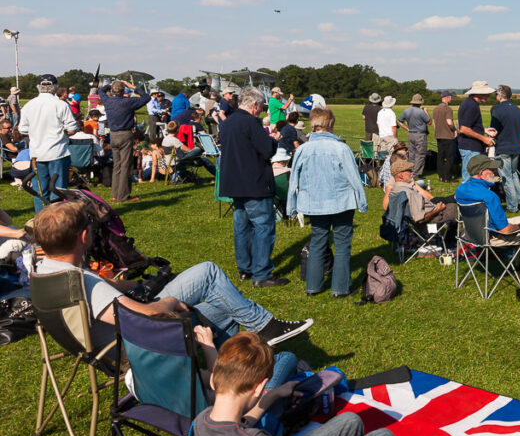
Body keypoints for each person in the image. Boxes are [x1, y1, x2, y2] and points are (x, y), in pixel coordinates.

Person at [31, 200, 313, 348]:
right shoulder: (84, 283)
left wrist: (131, 284)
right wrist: (169, 303)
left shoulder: (45, 270)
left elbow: (103, 297)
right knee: (208, 273)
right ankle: (265, 327)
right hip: (133, 347)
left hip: (96, 344)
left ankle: (234, 365)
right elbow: (146, 315)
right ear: (83, 237)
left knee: (224, 305)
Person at [192, 332, 399, 436]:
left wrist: (273, 396)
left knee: (352, 420)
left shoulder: (200, 423)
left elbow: (244, 425)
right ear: (259, 387)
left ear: (213, 379)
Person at [287, 108, 367, 298]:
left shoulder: (303, 149)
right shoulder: (341, 148)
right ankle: (340, 289)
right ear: (330, 124)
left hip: (314, 204)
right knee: (341, 245)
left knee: (317, 242)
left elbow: (293, 180)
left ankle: (313, 287)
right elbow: (354, 177)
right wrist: (362, 202)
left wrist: (291, 205)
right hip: (341, 202)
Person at [219, 88, 287, 287]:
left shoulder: (228, 121)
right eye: (260, 107)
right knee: (263, 227)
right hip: (254, 182)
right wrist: (273, 141)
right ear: (254, 106)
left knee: (242, 227)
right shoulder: (250, 122)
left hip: (234, 182)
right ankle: (262, 273)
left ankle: (245, 268)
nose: (260, 111)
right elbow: (266, 150)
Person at [18, 74, 77, 213]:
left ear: (39, 87)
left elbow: (22, 129)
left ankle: (41, 222)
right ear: (55, 87)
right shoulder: (60, 104)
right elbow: (72, 129)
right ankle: (58, 222)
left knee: (39, 192)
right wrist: (61, 132)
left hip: (37, 154)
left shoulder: (29, 105)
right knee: (58, 190)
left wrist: (36, 131)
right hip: (58, 153)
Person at [100, 80, 149, 203]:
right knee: (126, 166)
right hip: (125, 134)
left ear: (112, 91)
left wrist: (109, 85)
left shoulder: (107, 101)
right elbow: (146, 97)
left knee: (117, 165)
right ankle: (123, 196)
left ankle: (115, 195)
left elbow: (101, 90)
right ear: (123, 91)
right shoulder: (128, 102)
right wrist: (133, 87)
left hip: (113, 135)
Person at [455, 154, 520, 236]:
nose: (495, 172)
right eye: (492, 170)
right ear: (481, 174)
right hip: (489, 238)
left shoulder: (460, 190)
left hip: (469, 234)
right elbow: (505, 230)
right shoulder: (490, 196)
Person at [384, 157, 458, 224]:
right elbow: (420, 220)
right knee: (458, 208)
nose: (412, 172)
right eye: (409, 170)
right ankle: (460, 237)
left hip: (425, 211)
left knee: (450, 202)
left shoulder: (394, 189)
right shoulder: (409, 193)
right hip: (434, 217)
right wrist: (438, 209)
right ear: (400, 175)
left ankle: (450, 236)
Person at [490, 85, 520, 214]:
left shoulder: (497, 110)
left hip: (503, 147)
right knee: (513, 173)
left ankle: (512, 206)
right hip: (516, 146)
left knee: (506, 178)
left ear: (499, 96)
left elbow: (493, 130)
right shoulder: (517, 109)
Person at [457, 81, 496, 183]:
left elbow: (469, 126)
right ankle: (463, 198)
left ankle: (469, 198)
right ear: (478, 93)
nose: (487, 95)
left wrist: (483, 130)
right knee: (469, 178)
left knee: (473, 177)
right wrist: (484, 138)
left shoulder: (471, 103)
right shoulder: (471, 105)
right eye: (485, 93)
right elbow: (464, 129)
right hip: (470, 148)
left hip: (470, 147)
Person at [398, 94, 432, 179]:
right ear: (420, 103)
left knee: (412, 154)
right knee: (420, 154)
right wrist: (426, 111)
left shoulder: (406, 111)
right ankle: (417, 173)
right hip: (420, 135)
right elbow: (429, 122)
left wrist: (407, 128)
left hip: (411, 134)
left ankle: (411, 171)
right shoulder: (421, 112)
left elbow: (399, 121)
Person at [432, 90, 457, 183]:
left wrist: (437, 132)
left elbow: (434, 123)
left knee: (440, 157)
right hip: (447, 136)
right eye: (451, 97)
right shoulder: (448, 109)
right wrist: (454, 130)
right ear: (447, 98)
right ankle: (447, 177)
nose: (452, 99)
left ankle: (441, 176)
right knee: (450, 158)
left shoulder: (436, 109)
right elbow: (449, 122)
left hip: (438, 135)